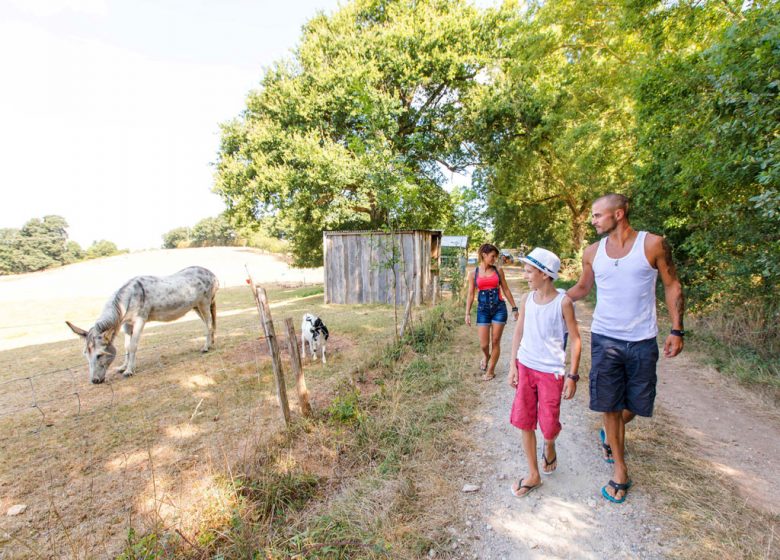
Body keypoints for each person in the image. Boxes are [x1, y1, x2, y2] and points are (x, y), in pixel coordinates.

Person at [566, 193, 684, 504]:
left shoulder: (653, 244)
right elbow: (582, 287)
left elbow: (672, 283)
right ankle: (620, 469)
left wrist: (676, 328)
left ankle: (609, 433)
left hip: (642, 340)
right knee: (610, 405)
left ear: (618, 214)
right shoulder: (592, 252)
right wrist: (558, 297)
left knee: (636, 405)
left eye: (597, 215)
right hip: (605, 339)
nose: (592, 221)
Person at [508, 248, 581, 497]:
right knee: (524, 421)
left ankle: (549, 444)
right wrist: (512, 366)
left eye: (529, 271)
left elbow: (576, 340)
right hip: (526, 366)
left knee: (548, 426)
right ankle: (533, 474)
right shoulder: (528, 299)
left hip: (551, 373)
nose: (526, 276)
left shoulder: (563, 302)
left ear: (544, 274)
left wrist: (572, 375)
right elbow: (518, 332)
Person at [465, 243, 519, 381]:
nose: (494, 259)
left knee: (495, 341)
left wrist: (514, 307)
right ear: (484, 255)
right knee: (484, 344)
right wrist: (467, 313)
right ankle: (486, 355)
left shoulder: (498, 271)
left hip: (499, 309)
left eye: (495, 256)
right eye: (492, 256)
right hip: (483, 310)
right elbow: (470, 294)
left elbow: (506, 289)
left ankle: (490, 370)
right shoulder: (473, 273)